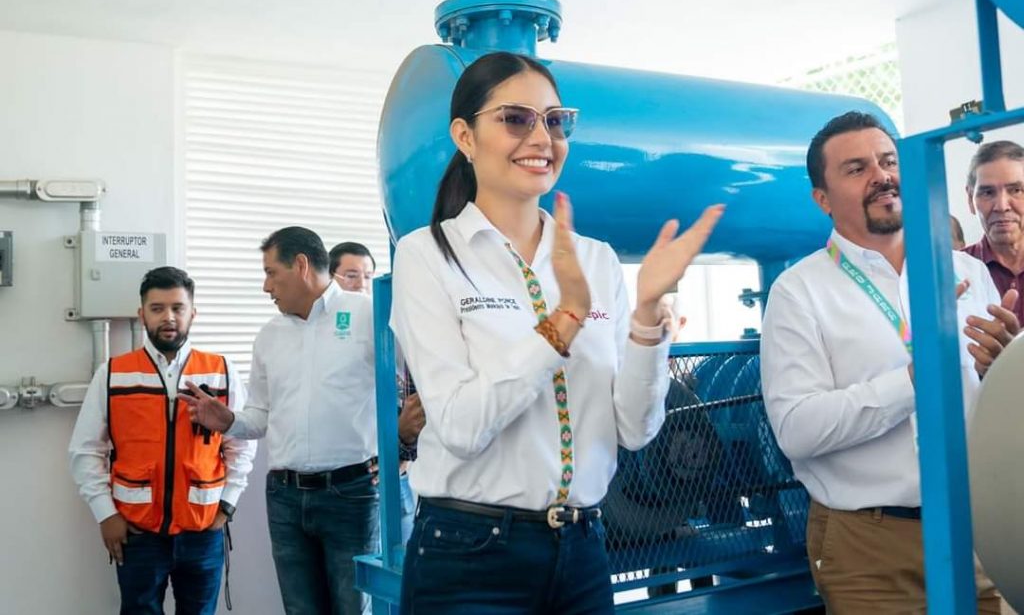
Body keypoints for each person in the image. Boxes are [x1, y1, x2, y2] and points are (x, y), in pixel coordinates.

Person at [389, 51, 723, 613]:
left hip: (585, 547)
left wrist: (645, 321)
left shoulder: (597, 259)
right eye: (516, 118)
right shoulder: (427, 255)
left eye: (554, 120)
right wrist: (564, 321)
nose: (542, 137)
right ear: (465, 137)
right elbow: (461, 427)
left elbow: (635, 431)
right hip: (469, 555)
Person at [760, 111, 1020, 613]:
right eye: (856, 169)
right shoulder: (799, 292)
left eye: (888, 161)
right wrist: (913, 380)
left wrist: (1003, 370)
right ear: (823, 199)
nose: (882, 176)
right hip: (868, 548)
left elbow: (988, 408)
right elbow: (797, 429)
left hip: (975, 528)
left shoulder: (964, 271)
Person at [181, 227, 378, 615]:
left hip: (351, 495)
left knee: (354, 608)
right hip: (285, 498)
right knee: (300, 609)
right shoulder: (269, 337)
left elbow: (409, 385)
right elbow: (260, 418)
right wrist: (228, 420)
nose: (265, 286)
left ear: (301, 265)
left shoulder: (366, 316)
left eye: (272, 273)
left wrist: (404, 448)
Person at [69, 266, 256, 615]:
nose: (168, 317)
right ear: (142, 314)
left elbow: (241, 444)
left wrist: (227, 505)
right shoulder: (113, 373)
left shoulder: (221, 370)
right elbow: (85, 450)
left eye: (177, 307)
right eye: (157, 308)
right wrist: (105, 514)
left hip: (203, 529)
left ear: (192, 313)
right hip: (136, 532)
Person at [328, 239, 424, 542]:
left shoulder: (389, 324)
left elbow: (409, 388)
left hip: (391, 474)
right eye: (352, 275)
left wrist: (403, 453)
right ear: (330, 277)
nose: (362, 284)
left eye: (368, 276)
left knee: (401, 569)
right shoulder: (321, 332)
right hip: (345, 481)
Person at [964, 140, 1024, 326]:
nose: (1002, 206)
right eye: (988, 193)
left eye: (1015, 190)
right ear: (970, 199)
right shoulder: (955, 273)